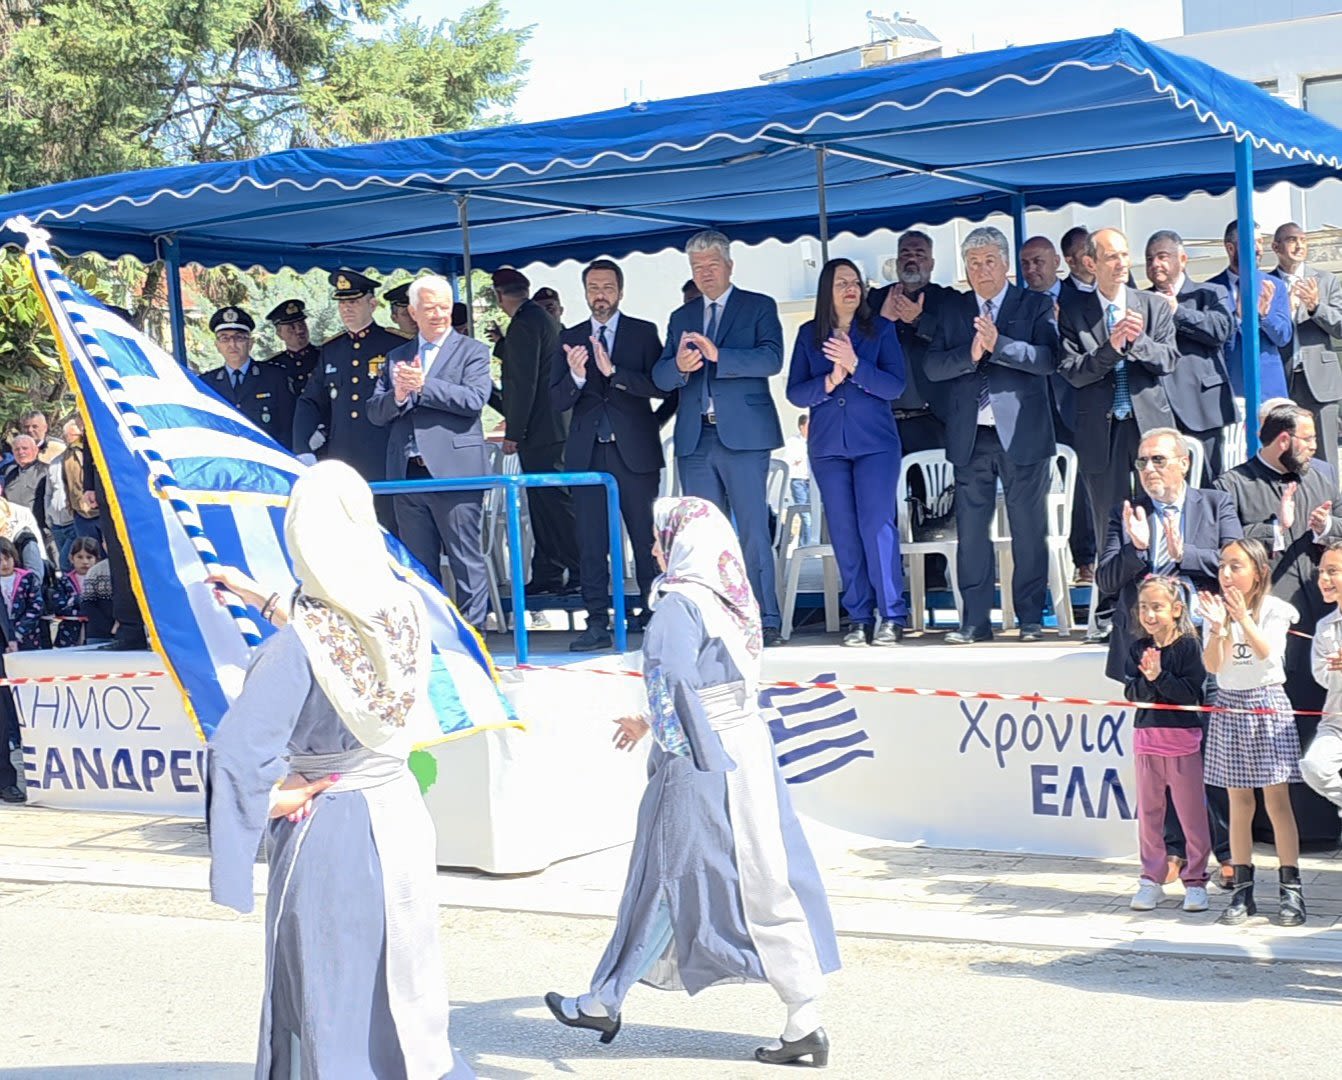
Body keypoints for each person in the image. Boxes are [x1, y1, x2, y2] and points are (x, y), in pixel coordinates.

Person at [544, 496, 839, 1066]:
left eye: (662, 538)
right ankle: (802, 1013)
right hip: (746, 748)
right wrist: (656, 721)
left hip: (702, 756)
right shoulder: (731, 597)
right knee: (764, 877)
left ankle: (604, 999)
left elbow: (674, 678)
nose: (655, 550)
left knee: (664, 873)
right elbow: (714, 681)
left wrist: (681, 746)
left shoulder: (679, 602)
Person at [205, 460, 474, 1079]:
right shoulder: (405, 608)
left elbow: (237, 752)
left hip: (331, 829)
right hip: (399, 815)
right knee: (403, 985)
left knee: (334, 998)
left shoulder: (294, 650)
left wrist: (268, 800)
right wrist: (258, 596)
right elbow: (345, 644)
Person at [1214, 401, 1342, 847]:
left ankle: (1328, 826)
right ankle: (1277, 832)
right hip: (1269, 624)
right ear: (1283, 440)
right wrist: (1277, 530)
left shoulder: (1323, 474)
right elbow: (1228, 547)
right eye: (1307, 439)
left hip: (1323, 614)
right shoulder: (1232, 483)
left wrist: (1327, 527)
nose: (1314, 447)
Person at [924, 225, 1058, 644]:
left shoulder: (1034, 304)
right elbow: (933, 367)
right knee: (971, 533)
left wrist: (1000, 344)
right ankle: (975, 622)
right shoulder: (953, 310)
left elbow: (1048, 359)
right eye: (973, 263)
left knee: (1028, 529)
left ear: (1005, 265)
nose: (982, 270)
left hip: (1022, 434)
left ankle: (1030, 618)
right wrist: (970, 353)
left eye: (989, 261)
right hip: (971, 436)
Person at [652, 229, 786, 645]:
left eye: (712, 265)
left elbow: (772, 359)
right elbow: (660, 377)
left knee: (752, 531)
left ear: (729, 265)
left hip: (744, 436)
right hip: (696, 439)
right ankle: (713, 621)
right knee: (702, 537)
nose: (705, 273)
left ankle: (764, 618)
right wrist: (678, 366)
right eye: (697, 267)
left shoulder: (758, 306)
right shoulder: (681, 317)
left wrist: (719, 356)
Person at [1059, 226, 1179, 644]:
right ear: (1090, 263)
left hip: (1148, 429)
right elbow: (1073, 372)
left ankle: (1164, 603)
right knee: (1108, 520)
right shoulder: (1073, 312)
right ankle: (1110, 611)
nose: (1121, 264)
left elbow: (1168, 361)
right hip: (1101, 429)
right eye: (1111, 256)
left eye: (1125, 255)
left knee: (1158, 513)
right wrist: (1110, 347)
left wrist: (1137, 341)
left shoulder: (1153, 305)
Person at [786, 257, 907, 646]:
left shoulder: (880, 330)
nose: (851, 289)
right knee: (842, 529)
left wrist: (855, 365)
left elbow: (895, 386)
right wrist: (830, 380)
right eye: (842, 283)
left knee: (876, 525)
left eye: (855, 282)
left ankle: (891, 614)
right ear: (827, 290)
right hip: (827, 447)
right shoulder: (809, 334)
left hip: (875, 445)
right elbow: (795, 392)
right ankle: (858, 616)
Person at [551, 259, 669, 650]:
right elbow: (555, 400)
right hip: (587, 454)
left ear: (620, 291)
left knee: (645, 538)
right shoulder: (569, 337)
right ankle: (597, 621)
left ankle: (653, 614)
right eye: (593, 288)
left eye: (607, 287)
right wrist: (577, 377)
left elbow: (662, 387)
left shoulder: (642, 332)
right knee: (591, 542)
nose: (600, 295)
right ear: (585, 293)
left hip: (634, 452)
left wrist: (614, 372)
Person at [367, 275, 492, 633]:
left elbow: (474, 400)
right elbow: (375, 411)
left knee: (465, 559)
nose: (438, 314)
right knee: (418, 564)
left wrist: (425, 386)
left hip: (455, 472)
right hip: (408, 473)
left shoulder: (472, 351)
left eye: (444, 307)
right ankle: (432, 635)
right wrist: (399, 396)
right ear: (412, 312)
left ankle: (474, 636)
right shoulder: (397, 356)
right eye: (429, 308)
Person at [1199, 538, 1306, 926]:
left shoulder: (1275, 609)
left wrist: (1242, 618)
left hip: (1266, 703)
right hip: (1230, 704)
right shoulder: (1217, 611)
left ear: (1259, 572)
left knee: (1277, 802)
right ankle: (1243, 891)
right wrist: (1217, 629)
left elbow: (1268, 653)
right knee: (1238, 803)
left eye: (1236, 566)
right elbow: (1213, 667)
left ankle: (1291, 889)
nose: (1226, 574)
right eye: (1222, 566)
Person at [1122, 575, 1211, 914]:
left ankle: (1196, 880)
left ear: (1176, 609)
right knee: (1149, 814)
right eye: (1144, 607)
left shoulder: (1189, 646)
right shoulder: (1137, 648)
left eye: (1157, 607)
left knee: (1191, 815)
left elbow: (1189, 694)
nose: (1149, 614)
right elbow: (1132, 692)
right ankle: (1151, 878)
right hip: (1147, 741)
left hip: (1182, 742)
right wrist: (1149, 680)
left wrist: (1159, 677)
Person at [492, 267, 581, 595]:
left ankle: (581, 569)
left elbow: (522, 382)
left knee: (554, 505)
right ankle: (549, 571)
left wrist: (514, 431)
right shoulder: (539, 319)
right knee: (544, 506)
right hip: (549, 427)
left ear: (498, 296)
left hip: (543, 429)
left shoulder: (525, 322)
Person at [293, 271, 403, 497]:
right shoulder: (332, 349)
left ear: (372, 304)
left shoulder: (395, 345)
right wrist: (302, 447)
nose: (346, 308)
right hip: (341, 457)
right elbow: (311, 400)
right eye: (342, 303)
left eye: (354, 302)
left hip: (383, 454)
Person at [1144, 230, 1235, 483]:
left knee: (1207, 483)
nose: (1155, 264)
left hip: (1201, 405)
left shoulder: (1210, 293)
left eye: (1162, 257)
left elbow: (1220, 330)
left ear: (1182, 259)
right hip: (1159, 408)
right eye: (1149, 259)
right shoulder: (1142, 300)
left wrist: (1177, 311)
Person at [868, 230, 955, 459]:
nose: (912, 260)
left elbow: (957, 342)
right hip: (882, 420)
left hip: (933, 421)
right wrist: (883, 320)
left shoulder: (948, 300)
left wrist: (919, 320)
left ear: (932, 263)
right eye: (905, 254)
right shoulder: (874, 300)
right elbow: (860, 347)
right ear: (897, 262)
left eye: (920, 254)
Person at [1271, 222, 1342, 482]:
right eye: (1292, 240)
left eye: (1303, 240)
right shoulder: (1267, 283)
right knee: (1288, 451)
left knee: (1325, 454)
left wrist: (1315, 307)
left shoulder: (1326, 280)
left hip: (1320, 381)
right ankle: (1294, 501)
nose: (1299, 245)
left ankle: (1333, 505)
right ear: (1276, 247)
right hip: (1283, 379)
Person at [1208, 219, 1293, 401]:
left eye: (1260, 242)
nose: (1259, 249)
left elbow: (1283, 337)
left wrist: (1265, 316)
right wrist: (1236, 319)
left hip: (1268, 389)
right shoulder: (1210, 289)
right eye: (1251, 242)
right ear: (1230, 248)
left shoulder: (1274, 286)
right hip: (1229, 389)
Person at [204, 306, 297, 450]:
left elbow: (288, 426)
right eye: (225, 338)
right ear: (217, 345)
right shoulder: (206, 383)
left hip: (268, 457)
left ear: (251, 343)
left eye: (239, 337)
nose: (232, 344)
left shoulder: (275, 377)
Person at [1303, 541, 1342, 812]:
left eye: (1333, 571)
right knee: (1314, 766)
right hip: (1336, 722)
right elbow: (1321, 676)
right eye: (1321, 572)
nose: (1324, 579)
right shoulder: (1324, 626)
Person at [262, 299, 321, 396]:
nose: (299, 330)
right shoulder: (272, 367)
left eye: (301, 324)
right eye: (291, 327)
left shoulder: (325, 356)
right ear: (279, 334)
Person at [50, 536, 100, 647]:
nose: (85, 562)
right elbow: (59, 607)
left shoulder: (102, 581)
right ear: (71, 558)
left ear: (97, 560)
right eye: (80, 557)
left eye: (89, 557)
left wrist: (74, 604)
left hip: (96, 632)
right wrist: (79, 607)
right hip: (69, 633)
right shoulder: (63, 581)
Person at [0, 537, 43, 650]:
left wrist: (19, 632)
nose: (4, 564)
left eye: (7, 558)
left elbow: (36, 607)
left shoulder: (28, 578)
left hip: (27, 637)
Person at [779, 415, 812, 546]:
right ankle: (808, 548)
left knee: (813, 514)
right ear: (801, 427)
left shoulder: (816, 440)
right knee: (806, 516)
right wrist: (795, 461)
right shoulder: (793, 442)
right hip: (799, 481)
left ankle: (804, 545)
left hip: (812, 482)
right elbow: (785, 462)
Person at [3, 435, 43, 515]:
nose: (21, 452)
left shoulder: (45, 472)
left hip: (37, 521)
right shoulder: (9, 473)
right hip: (13, 520)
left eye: (25, 448)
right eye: (17, 449)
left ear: (35, 450)